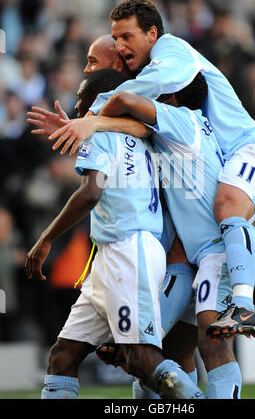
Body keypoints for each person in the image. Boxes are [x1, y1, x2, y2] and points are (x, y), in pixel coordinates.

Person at [49, 0, 255, 340]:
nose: (121, 45)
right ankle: (153, 342)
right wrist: (81, 123)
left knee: (227, 207)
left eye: (127, 36)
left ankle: (244, 304)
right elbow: (143, 125)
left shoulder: (172, 52)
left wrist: (91, 118)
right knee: (182, 259)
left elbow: (141, 94)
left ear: (152, 34)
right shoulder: (149, 76)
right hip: (214, 169)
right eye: (116, 39)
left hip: (250, 148)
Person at [25, 68, 206, 400]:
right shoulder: (142, 135)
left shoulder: (101, 134)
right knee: (63, 355)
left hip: (128, 251)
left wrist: (45, 238)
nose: (78, 110)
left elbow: (91, 192)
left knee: (141, 357)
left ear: (99, 101)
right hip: (115, 254)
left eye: (81, 101)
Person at [94, 72, 255, 399]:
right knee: (171, 352)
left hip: (224, 253)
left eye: (160, 93)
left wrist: (91, 120)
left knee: (211, 342)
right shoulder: (176, 138)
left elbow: (130, 106)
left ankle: (241, 307)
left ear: (172, 98)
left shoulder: (184, 120)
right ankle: (140, 345)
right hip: (198, 258)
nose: (154, 99)